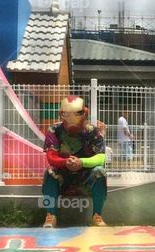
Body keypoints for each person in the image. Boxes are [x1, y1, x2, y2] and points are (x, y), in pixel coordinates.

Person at [41, 96, 108, 228]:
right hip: (63, 178)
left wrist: (81, 162)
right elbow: (51, 157)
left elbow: (100, 158)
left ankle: (97, 215)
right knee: (50, 172)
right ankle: (50, 216)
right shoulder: (54, 130)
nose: (72, 122)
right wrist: (66, 162)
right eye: (67, 116)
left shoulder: (93, 131)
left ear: (85, 113)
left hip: (86, 178)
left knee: (99, 172)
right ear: (61, 115)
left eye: (77, 115)